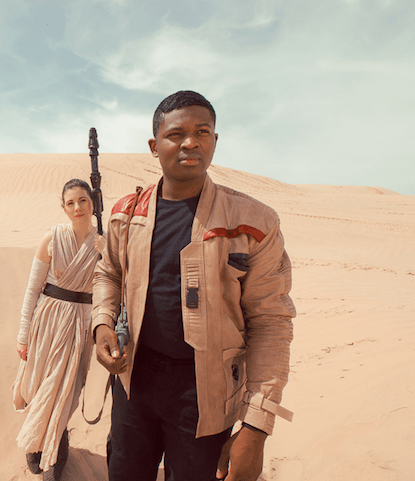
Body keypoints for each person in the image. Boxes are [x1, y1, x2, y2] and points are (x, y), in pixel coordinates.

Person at [92, 90, 295, 481]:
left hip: (207, 395)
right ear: (154, 146)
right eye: (176, 134)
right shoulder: (125, 214)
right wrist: (102, 322)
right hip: (134, 383)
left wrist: (256, 428)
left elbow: (271, 322)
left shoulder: (254, 222)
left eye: (202, 132)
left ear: (214, 141)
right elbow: (109, 273)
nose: (191, 142)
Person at [12, 178, 106, 480]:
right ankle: (38, 440)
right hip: (48, 321)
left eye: (83, 200)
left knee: (66, 387)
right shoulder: (51, 238)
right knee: (43, 384)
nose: (77, 207)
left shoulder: (103, 243)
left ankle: (57, 440)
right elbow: (32, 290)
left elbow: (112, 287)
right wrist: (23, 336)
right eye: (70, 203)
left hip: (80, 324)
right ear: (63, 208)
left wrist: (107, 254)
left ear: (92, 203)